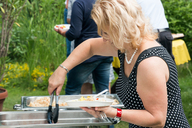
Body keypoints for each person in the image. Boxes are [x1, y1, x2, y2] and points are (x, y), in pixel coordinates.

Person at [48, 0, 190, 127]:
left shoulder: (149, 63)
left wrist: (113, 112)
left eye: (105, 33)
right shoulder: (128, 47)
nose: (103, 39)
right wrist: (61, 70)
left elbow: (157, 119)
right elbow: (90, 46)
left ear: (119, 30)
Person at [111, 0, 175, 94]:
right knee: (165, 74)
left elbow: (129, 16)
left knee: (145, 72)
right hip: (164, 33)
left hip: (148, 33)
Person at [55, 0, 113, 95]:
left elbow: (74, 33)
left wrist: (64, 33)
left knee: (72, 90)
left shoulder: (79, 3)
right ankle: (105, 110)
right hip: (106, 52)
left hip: (85, 56)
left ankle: (71, 110)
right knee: (104, 92)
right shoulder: (106, 2)